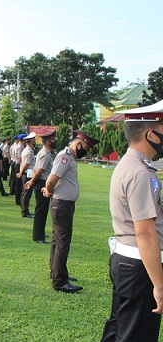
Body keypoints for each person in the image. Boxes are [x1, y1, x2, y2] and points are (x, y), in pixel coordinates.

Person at [101, 111, 163, 341]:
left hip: (128, 261)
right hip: (139, 265)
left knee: (120, 329)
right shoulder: (140, 173)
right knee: (137, 334)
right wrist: (159, 285)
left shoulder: (132, 165)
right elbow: (145, 233)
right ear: (151, 135)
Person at [42, 131, 99, 293]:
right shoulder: (65, 156)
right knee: (62, 241)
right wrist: (49, 190)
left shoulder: (69, 157)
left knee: (57, 240)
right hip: (62, 205)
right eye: (86, 148)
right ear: (78, 143)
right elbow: (52, 179)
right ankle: (60, 281)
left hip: (63, 204)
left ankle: (56, 272)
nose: (86, 151)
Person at [24, 131, 56, 244]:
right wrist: (32, 181)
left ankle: (40, 233)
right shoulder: (45, 154)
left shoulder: (43, 152)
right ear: (48, 142)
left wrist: (32, 180)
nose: (55, 141)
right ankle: (38, 236)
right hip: (42, 182)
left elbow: (35, 169)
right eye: (53, 139)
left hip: (41, 182)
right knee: (41, 211)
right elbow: (40, 170)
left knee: (42, 210)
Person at [18, 133, 36, 218]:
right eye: (33, 140)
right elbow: (26, 164)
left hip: (27, 173)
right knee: (26, 194)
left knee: (24, 193)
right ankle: (24, 211)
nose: (34, 141)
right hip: (27, 174)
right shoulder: (28, 152)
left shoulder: (28, 150)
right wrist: (21, 173)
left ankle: (24, 210)